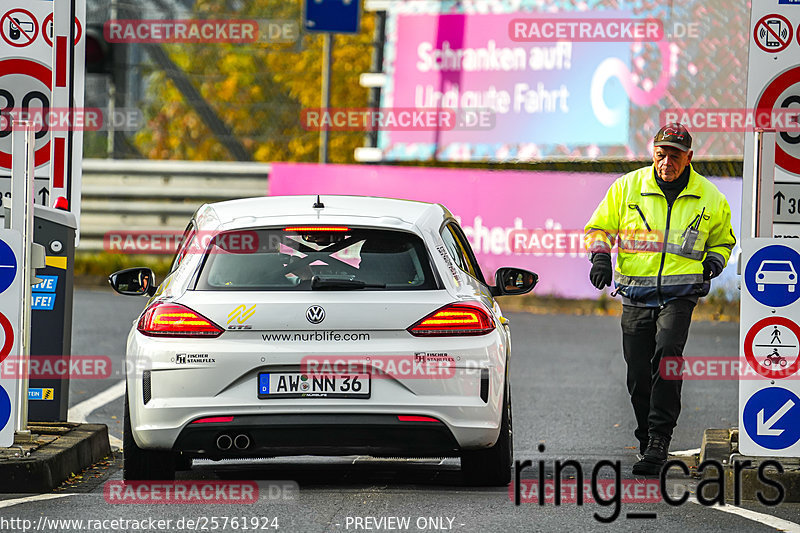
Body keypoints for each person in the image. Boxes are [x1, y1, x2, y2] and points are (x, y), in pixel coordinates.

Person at [584, 123, 736, 476]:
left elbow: (723, 241)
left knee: (667, 355)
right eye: (661, 154)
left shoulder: (709, 197)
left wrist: (713, 262)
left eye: (675, 155)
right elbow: (598, 229)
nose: (667, 161)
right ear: (653, 153)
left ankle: (658, 441)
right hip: (636, 294)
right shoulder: (627, 187)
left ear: (689, 158)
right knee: (638, 372)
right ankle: (646, 437)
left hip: (680, 295)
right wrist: (601, 257)